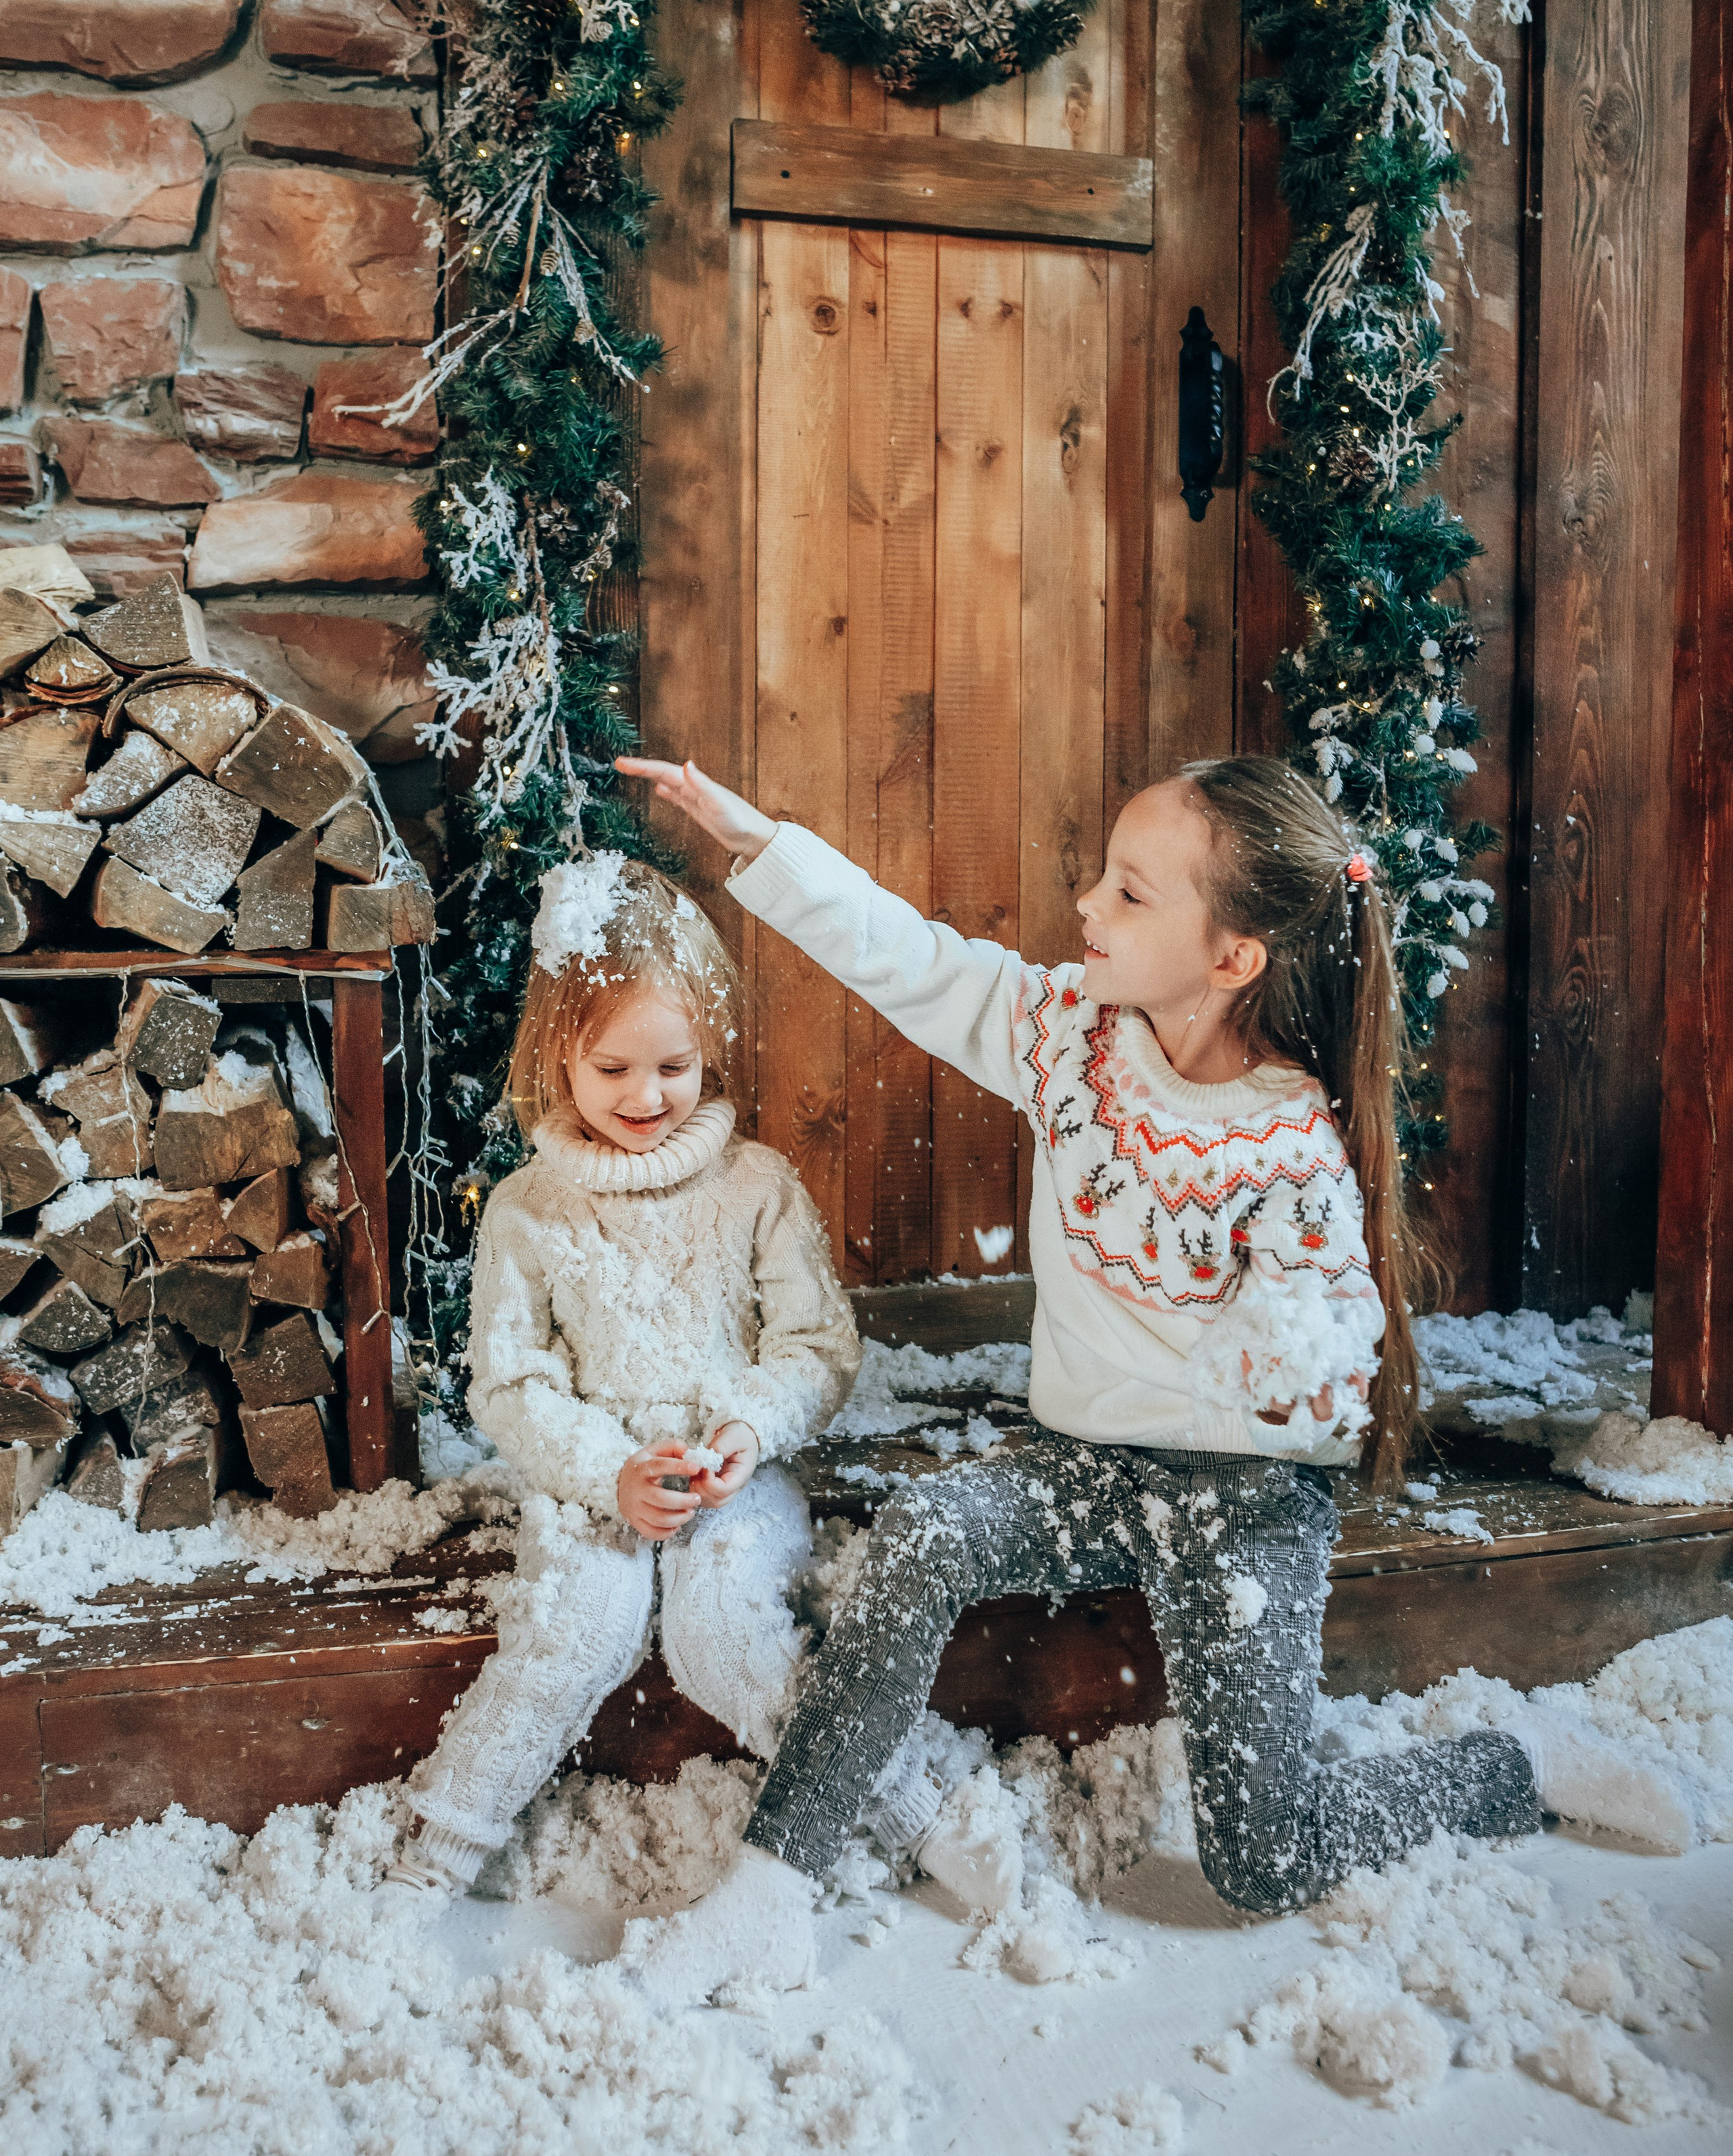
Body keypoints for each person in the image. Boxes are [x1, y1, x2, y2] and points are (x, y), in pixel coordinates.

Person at [611, 753, 1692, 1998]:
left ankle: (1516, 1766)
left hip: (1248, 1500)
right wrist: (767, 846)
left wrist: (1287, 1364)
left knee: (1266, 1856)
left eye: (1131, 894)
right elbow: (907, 956)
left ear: (1231, 957)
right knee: (923, 1532)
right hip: (1089, 1467)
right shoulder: (1071, 1040)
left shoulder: (1296, 1147)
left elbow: (1330, 1364)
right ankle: (773, 1889)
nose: (1087, 907)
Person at [388, 851, 864, 1894]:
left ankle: (906, 1802)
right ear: (557, 1059)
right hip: (591, 1477)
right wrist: (608, 1472)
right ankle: (439, 1852)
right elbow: (511, 1383)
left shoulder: (757, 1187)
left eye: (674, 1066)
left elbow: (816, 1348)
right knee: (573, 1629)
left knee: (726, 1636)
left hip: (733, 1475)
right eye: (613, 1070)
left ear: (709, 1050)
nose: (647, 1096)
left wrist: (747, 1425)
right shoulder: (529, 1209)